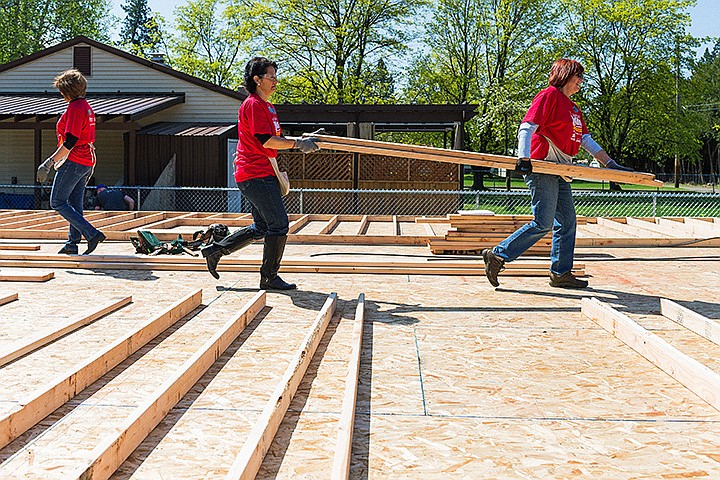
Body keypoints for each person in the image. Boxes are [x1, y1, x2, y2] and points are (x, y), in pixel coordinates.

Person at [482, 58, 632, 289]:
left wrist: (610, 163)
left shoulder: (574, 108)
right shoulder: (549, 96)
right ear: (565, 75)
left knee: (567, 222)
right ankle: (498, 255)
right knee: (543, 222)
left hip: (561, 169)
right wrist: (523, 158)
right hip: (542, 167)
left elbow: (585, 139)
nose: (582, 81)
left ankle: (560, 273)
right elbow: (527, 126)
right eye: (578, 76)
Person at [200, 57, 320, 289]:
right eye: (271, 76)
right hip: (254, 174)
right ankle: (269, 277)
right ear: (257, 79)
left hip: (263, 172)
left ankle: (216, 250)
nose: (275, 80)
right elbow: (267, 141)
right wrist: (297, 144)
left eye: (276, 75)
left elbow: (276, 140)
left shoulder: (268, 107)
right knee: (279, 224)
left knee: (263, 227)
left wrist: (302, 139)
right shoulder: (254, 105)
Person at [37, 69, 105, 255]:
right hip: (87, 161)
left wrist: (49, 162)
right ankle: (72, 243)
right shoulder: (86, 107)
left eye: (61, 90)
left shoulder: (75, 108)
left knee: (57, 201)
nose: (60, 94)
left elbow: (71, 141)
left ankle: (91, 234)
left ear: (67, 91)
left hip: (74, 161)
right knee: (75, 204)